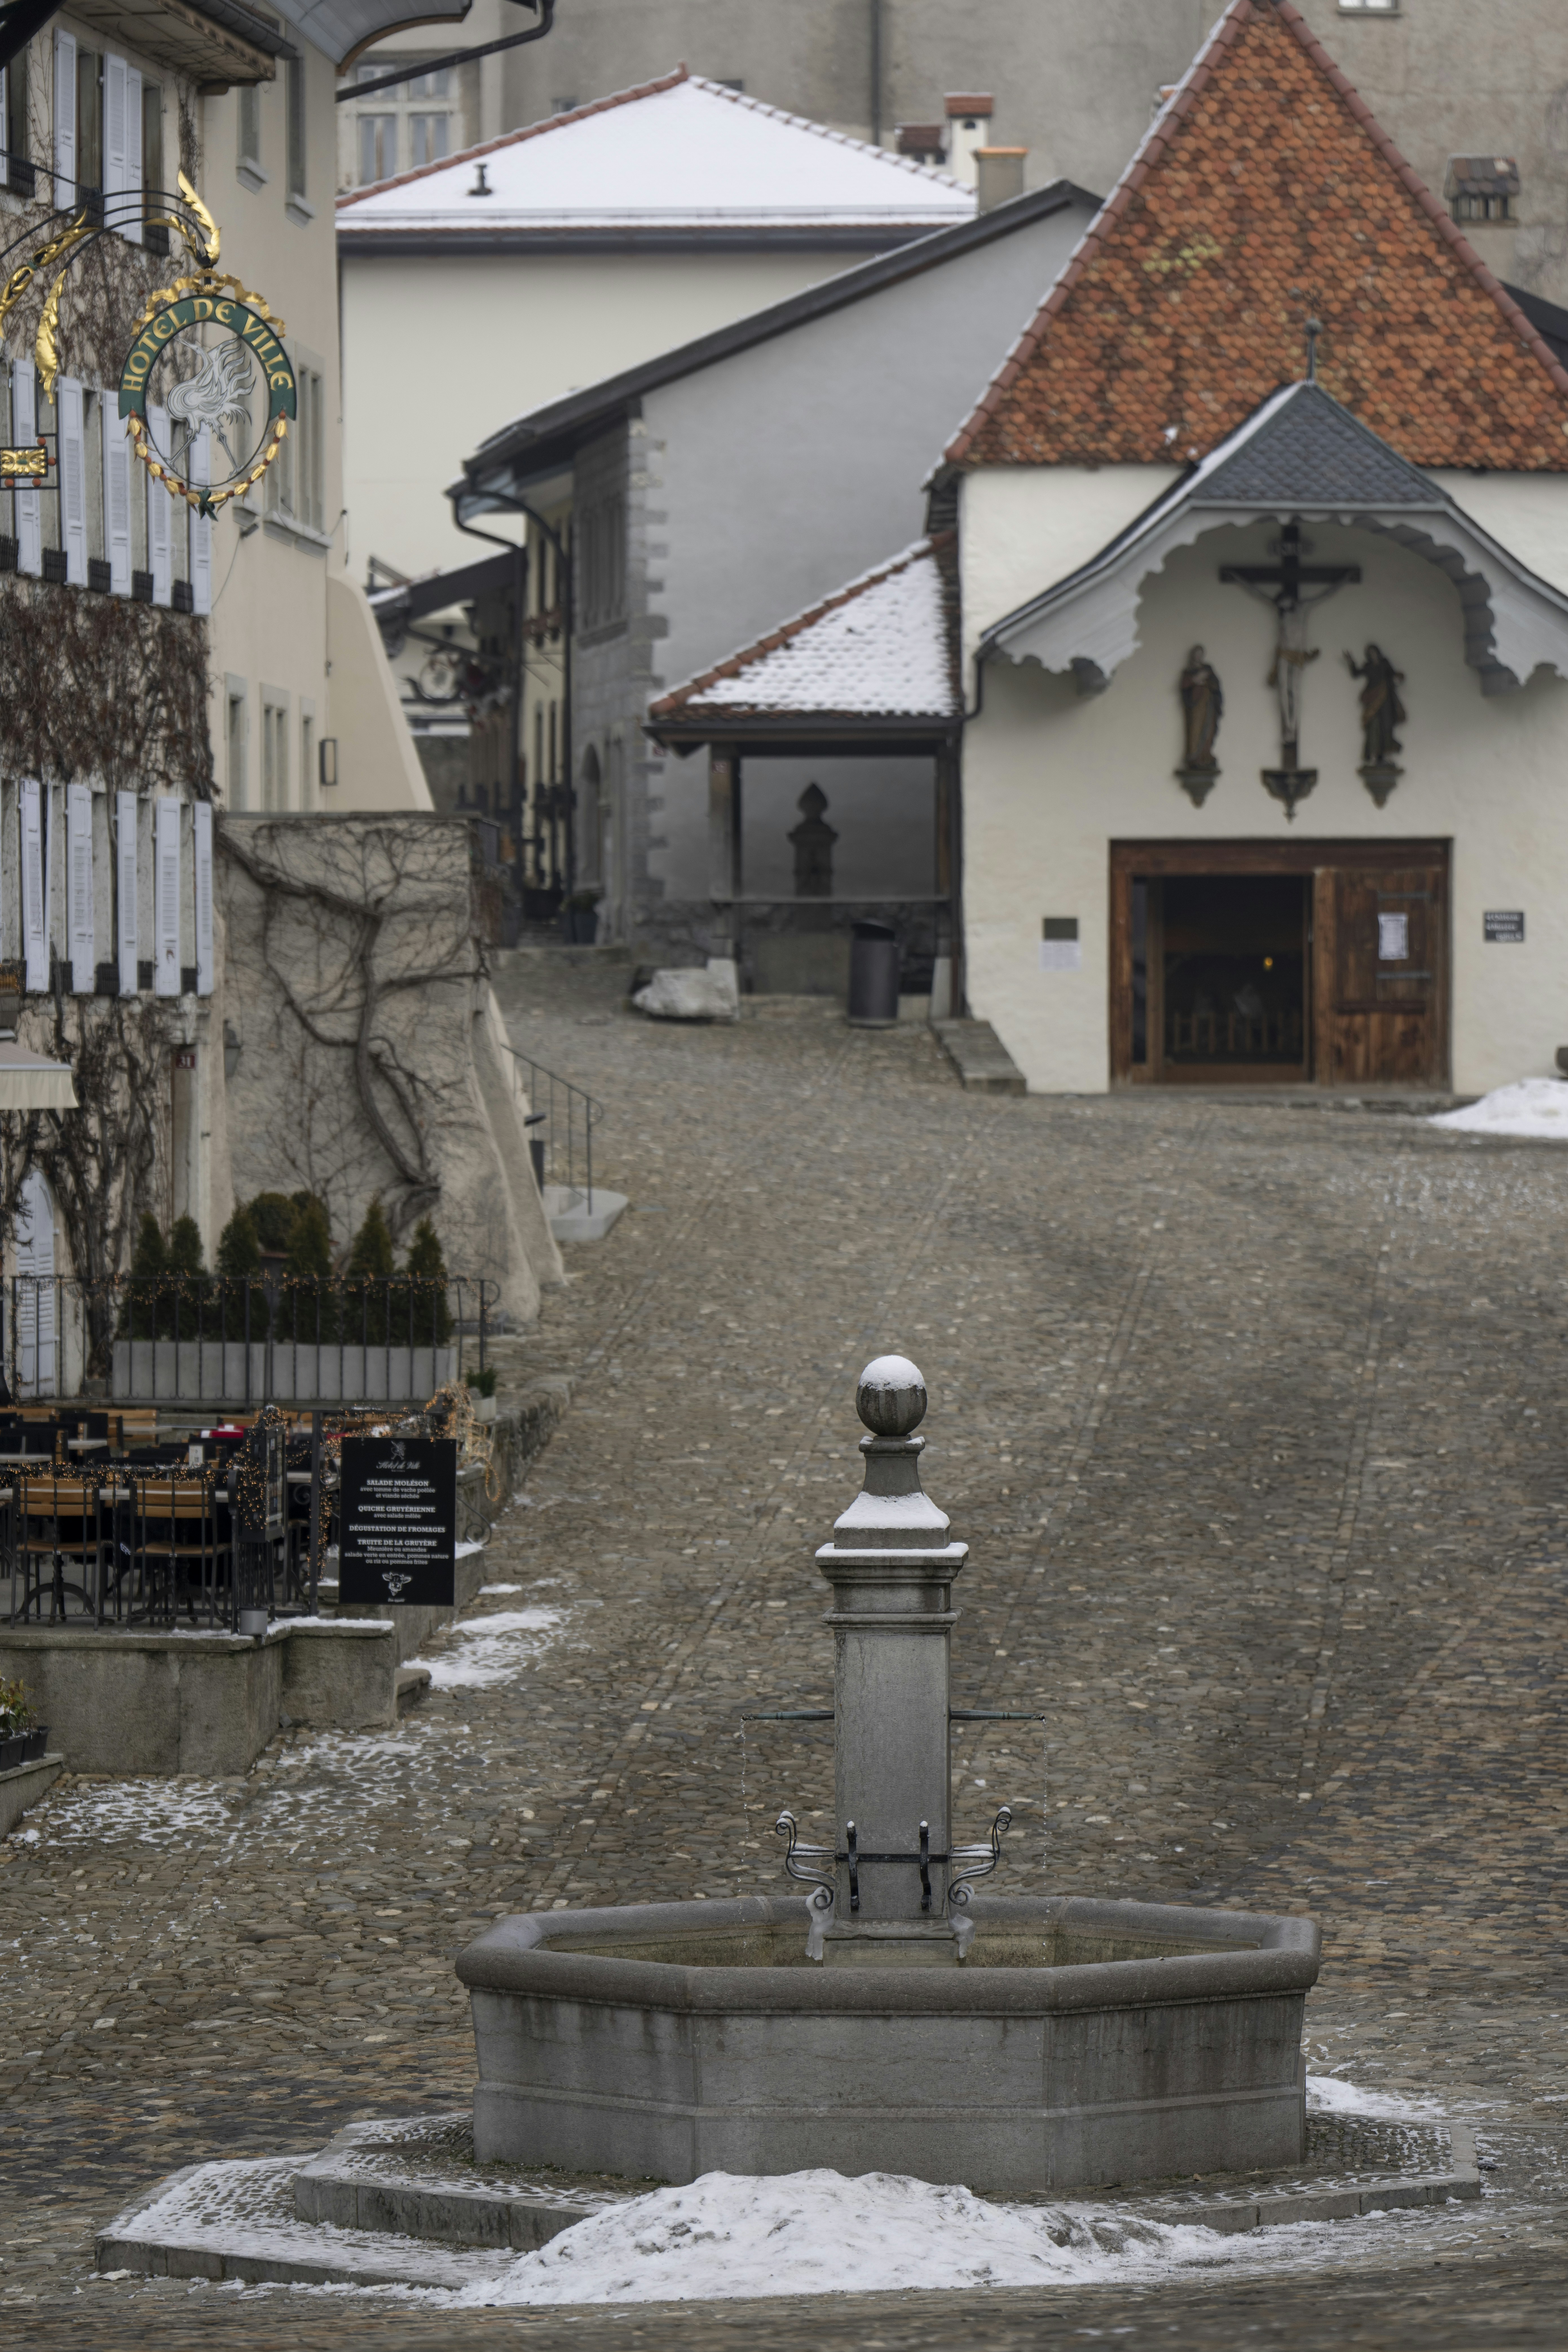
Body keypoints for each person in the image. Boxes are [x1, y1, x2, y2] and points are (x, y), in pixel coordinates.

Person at [1344, 643, 1406, 766]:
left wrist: (1397, 678)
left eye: (1374, 652)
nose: (1372, 655)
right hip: (1372, 699)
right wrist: (1351, 662)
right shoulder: (1368, 667)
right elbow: (1356, 674)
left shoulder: (1385, 664)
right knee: (1373, 727)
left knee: (1387, 726)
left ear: (1378, 653)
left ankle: (1388, 755)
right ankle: (1373, 756)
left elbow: (1393, 676)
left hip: (1386, 699)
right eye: (1370, 653)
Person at [1178, 646, 1223, 769]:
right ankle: (1194, 758)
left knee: (1209, 729)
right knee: (1196, 729)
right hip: (1196, 706)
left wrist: (1207, 682)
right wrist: (1195, 680)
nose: (1198, 657)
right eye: (1196, 655)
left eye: (1201, 655)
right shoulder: (1189, 672)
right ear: (1193, 656)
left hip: (1209, 705)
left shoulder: (1208, 669)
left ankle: (1206, 757)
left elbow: (1216, 685)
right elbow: (1185, 685)